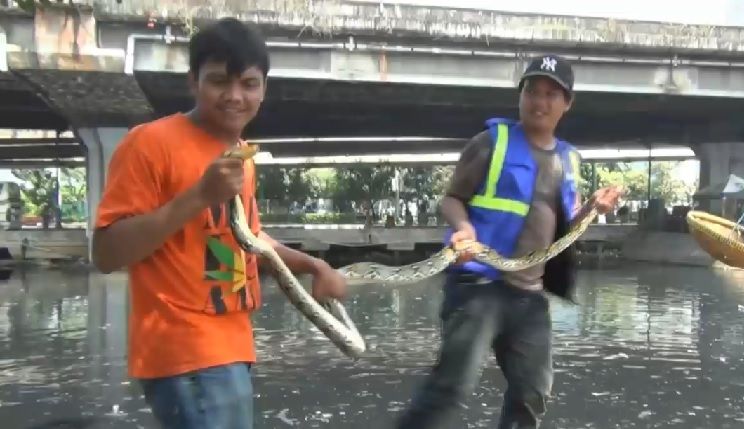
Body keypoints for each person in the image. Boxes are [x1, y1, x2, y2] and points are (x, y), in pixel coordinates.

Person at [91, 18, 347, 429]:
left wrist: (313, 265)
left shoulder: (240, 154)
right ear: (193, 82)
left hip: (232, 344)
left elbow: (247, 238)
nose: (234, 96)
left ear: (263, 89)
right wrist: (198, 196)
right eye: (218, 81)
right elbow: (106, 253)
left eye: (248, 84)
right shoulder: (149, 143)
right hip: (184, 352)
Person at [396, 55, 621, 429]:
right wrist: (463, 230)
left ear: (567, 103)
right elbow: (451, 199)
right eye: (532, 91)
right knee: (451, 389)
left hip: (529, 295)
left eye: (551, 94)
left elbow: (564, 227)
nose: (539, 102)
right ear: (520, 95)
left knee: (532, 393)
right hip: (478, 285)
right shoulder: (490, 142)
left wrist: (592, 209)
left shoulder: (569, 159)